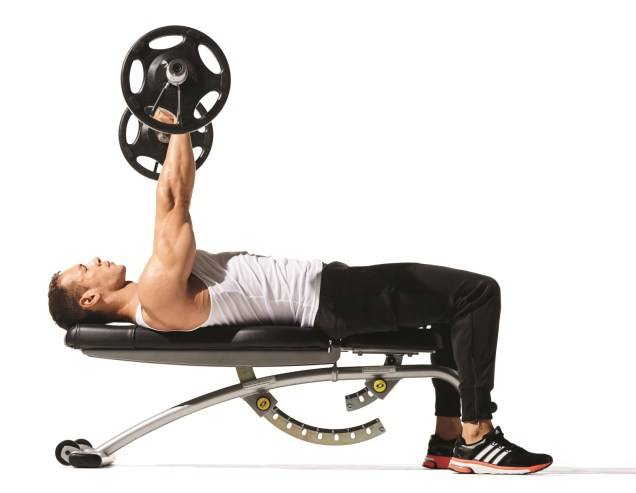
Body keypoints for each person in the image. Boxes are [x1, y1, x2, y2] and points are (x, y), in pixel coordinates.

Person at [48, 108, 552, 475]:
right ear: (90, 300)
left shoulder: (157, 289)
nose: (93, 260)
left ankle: (446, 441)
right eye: (83, 270)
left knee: (443, 312)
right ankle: (477, 435)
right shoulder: (157, 294)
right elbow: (175, 197)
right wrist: (179, 121)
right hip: (331, 300)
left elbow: (167, 200)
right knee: (476, 294)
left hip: (331, 294)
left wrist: (172, 134)